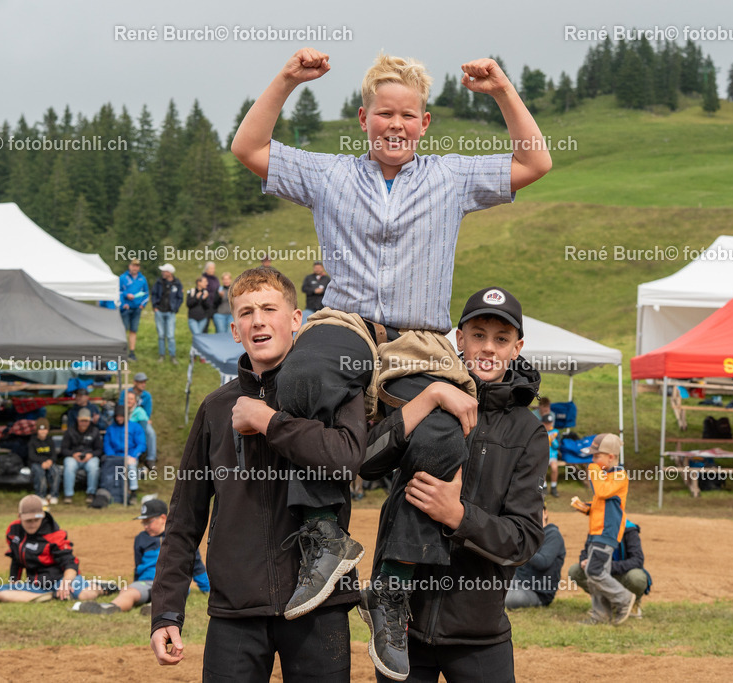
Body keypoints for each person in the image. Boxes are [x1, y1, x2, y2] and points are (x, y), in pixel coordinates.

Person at [231, 49, 551, 658]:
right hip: (347, 323)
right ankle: (325, 535)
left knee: (442, 439)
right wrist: (288, 80)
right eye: (385, 114)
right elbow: (249, 148)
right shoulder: (329, 176)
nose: (396, 125)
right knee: (305, 370)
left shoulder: (452, 177)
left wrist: (503, 89)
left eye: (408, 115)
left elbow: (536, 159)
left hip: (419, 339)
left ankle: (394, 588)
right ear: (363, 118)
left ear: (424, 123)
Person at [150, 268, 365, 681]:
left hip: (319, 605)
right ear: (234, 329)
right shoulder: (215, 409)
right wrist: (166, 612)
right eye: (247, 312)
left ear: (297, 320)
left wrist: (269, 421)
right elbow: (184, 519)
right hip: (235, 610)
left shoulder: (333, 391)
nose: (258, 320)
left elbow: (346, 459)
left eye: (269, 308)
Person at [358, 286, 547, 680]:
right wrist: (428, 396)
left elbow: (524, 540)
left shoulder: (528, 432)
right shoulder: (423, 395)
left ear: (518, 347)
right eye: (478, 335)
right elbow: (366, 462)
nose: (488, 348)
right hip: (402, 628)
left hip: (479, 634)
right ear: (459, 339)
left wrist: (458, 516)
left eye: (501, 339)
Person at [75, 499, 209, 615]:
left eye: (148, 522)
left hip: (173, 582)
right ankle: (110, 607)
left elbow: (196, 565)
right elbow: (138, 566)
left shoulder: (180, 537)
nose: (145, 526)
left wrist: (207, 589)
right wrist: (135, 584)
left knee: (173, 592)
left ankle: (154, 608)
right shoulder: (141, 538)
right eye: (143, 523)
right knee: (129, 591)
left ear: (163, 518)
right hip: (147, 582)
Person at [570, 432, 634, 626]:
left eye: (597, 456)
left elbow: (602, 492)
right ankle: (600, 615)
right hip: (596, 531)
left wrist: (593, 470)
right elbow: (601, 503)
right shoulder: (605, 476)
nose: (593, 460)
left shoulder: (619, 476)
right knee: (594, 575)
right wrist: (585, 507)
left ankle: (624, 598)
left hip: (607, 533)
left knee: (594, 571)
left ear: (611, 457)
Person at [0, 495, 106, 603]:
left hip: (60, 580)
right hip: (36, 585)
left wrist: (65, 583)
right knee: (0, 592)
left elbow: (71, 563)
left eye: (36, 519)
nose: (33, 524)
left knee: (85, 595)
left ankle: (100, 587)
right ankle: (49, 596)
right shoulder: (13, 531)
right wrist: (14, 582)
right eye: (28, 521)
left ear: (42, 516)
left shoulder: (54, 535)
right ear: (20, 517)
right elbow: (16, 559)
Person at [568, 519, 651, 618]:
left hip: (623, 574)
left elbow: (637, 560)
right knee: (575, 571)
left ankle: (632, 603)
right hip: (601, 573)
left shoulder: (629, 529)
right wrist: (584, 560)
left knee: (637, 578)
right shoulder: (597, 527)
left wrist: (609, 566)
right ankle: (605, 602)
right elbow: (586, 551)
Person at [505, 503, 566, 610]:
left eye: (538, 511)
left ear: (545, 513)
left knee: (506, 599)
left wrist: (521, 548)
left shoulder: (553, 535)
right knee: (490, 589)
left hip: (538, 592)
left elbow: (543, 562)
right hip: (518, 582)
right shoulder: (529, 535)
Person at [102, 402, 146, 505]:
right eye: (117, 417)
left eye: (121, 416)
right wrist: (113, 457)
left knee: (131, 466)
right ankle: (111, 494)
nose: (119, 419)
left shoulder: (135, 427)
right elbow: (107, 445)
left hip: (130, 456)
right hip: (114, 457)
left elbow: (141, 444)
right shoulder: (111, 429)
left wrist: (134, 456)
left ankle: (133, 493)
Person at [61, 408, 103, 504]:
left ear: (90, 420)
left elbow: (99, 450)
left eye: (86, 421)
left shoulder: (95, 431)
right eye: (82, 421)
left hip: (89, 457)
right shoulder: (70, 431)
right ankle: (68, 494)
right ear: (77, 419)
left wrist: (91, 455)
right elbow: (64, 449)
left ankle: (91, 493)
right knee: (69, 465)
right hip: (74, 457)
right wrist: (73, 454)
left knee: (94, 467)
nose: (84, 423)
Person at [121, 373, 157, 468]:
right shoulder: (126, 393)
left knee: (150, 433)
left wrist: (145, 418)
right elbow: (121, 406)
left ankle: (151, 458)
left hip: (141, 419)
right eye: (141, 382)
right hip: (127, 418)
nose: (143, 384)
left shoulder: (147, 396)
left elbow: (148, 412)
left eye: (144, 382)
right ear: (135, 383)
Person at [152, 263, 183, 365]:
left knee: (170, 336)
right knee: (161, 335)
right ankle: (162, 355)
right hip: (159, 311)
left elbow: (180, 297)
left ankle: (172, 356)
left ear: (169, 273)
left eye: (164, 271)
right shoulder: (158, 282)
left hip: (170, 313)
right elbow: (154, 294)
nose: (162, 273)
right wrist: (155, 307)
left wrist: (175, 308)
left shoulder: (177, 283)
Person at [119, 258, 149, 361]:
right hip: (126, 308)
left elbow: (146, 294)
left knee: (133, 330)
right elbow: (118, 292)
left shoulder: (142, 279)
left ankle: (132, 352)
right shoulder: (123, 278)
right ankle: (122, 352)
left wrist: (142, 305)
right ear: (129, 266)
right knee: (123, 330)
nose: (134, 268)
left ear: (139, 267)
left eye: (137, 266)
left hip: (137, 308)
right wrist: (126, 297)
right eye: (133, 265)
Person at [28, 417, 61, 504]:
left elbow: (54, 454)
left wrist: (50, 461)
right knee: (39, 473)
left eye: (45, 429)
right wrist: (42, 462)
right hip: (37, 463)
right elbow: (31, 456)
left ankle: (54, 495)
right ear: (37, 430)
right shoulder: (32, 441)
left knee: (56, 471)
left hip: (48, 462)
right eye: (41, 430)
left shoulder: (50, 440)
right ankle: (40, 495)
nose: (43, 432)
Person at [125, 390, 156, 469]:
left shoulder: (139, 411)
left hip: (136, 433)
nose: (129, 401)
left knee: (150, 433)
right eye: (127, 398)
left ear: (135, 401)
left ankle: (150, 459)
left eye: (131, 399)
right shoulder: (121, 410)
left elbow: (144, 427)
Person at [186, 277, 210, 347]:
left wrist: (204, 299)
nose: (207, 283)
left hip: (203, 318)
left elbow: (208, 306)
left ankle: (197, 355)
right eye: (205, 281)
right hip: (193, 318)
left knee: (199, 337)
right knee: (197, 335)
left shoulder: (206, 293)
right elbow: (188, 304)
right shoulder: (191, 291)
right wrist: (196, 298)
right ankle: (195, 355)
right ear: (199, 282)